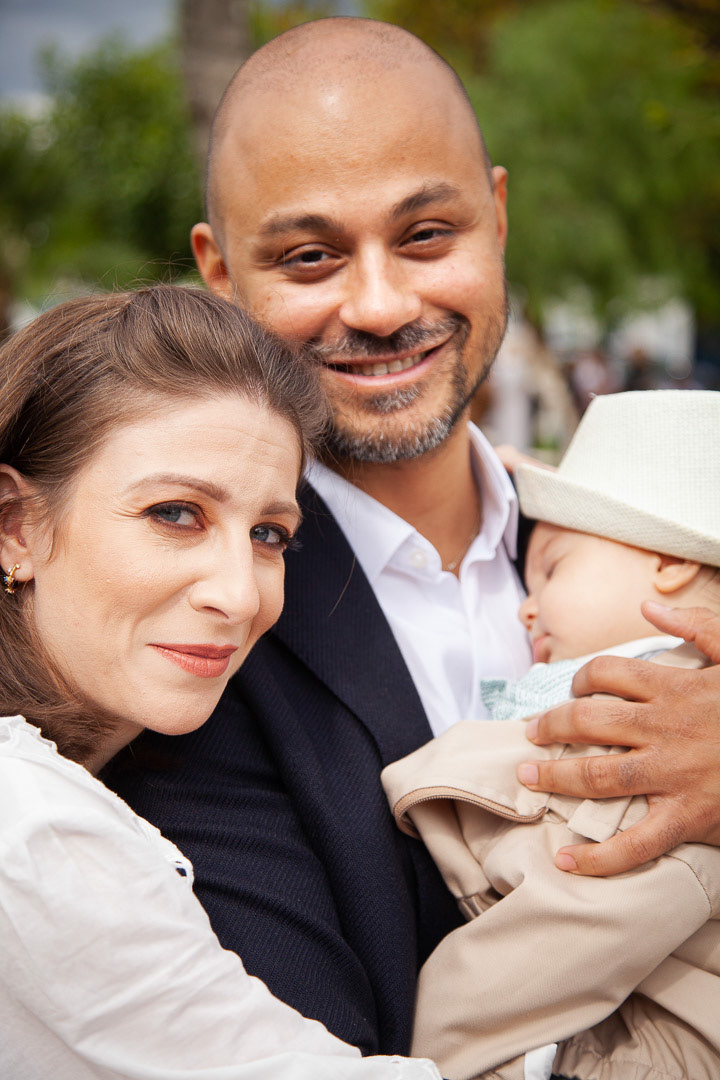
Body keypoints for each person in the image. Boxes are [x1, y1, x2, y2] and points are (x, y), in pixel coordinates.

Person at [107, 17, 720, 1057]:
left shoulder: (647, 544)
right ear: (221, 276)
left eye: (428, 235)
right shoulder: (192, 648)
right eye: (310, 256)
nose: (383, 305)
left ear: (498, 216)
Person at [0, 284, 442, 1080]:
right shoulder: (31, 829)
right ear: (15, 526)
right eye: (175, 514)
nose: (239, 595)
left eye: (269, 534)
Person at [382, 390, 720, 1080]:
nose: (524, 608)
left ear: (669, 562)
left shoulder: (655, 723)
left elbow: (554, 936)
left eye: (554, 568)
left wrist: (438, 1057)